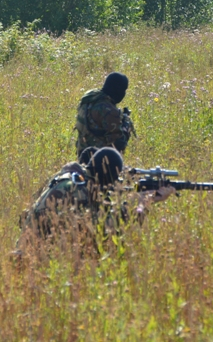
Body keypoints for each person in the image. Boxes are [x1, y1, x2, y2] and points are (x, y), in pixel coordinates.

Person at [17, 148, 174, 248]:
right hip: (40, 255)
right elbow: (101, 233)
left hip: (32, 245)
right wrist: (140, 204)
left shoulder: (73, 178)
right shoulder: (80, 190)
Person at [74, 72, 135, 157]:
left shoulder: (89, 99)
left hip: (83, 155)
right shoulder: (109, 111)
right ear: (118, 90)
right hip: (100, 159)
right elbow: (118, 144)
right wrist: (126, 125)